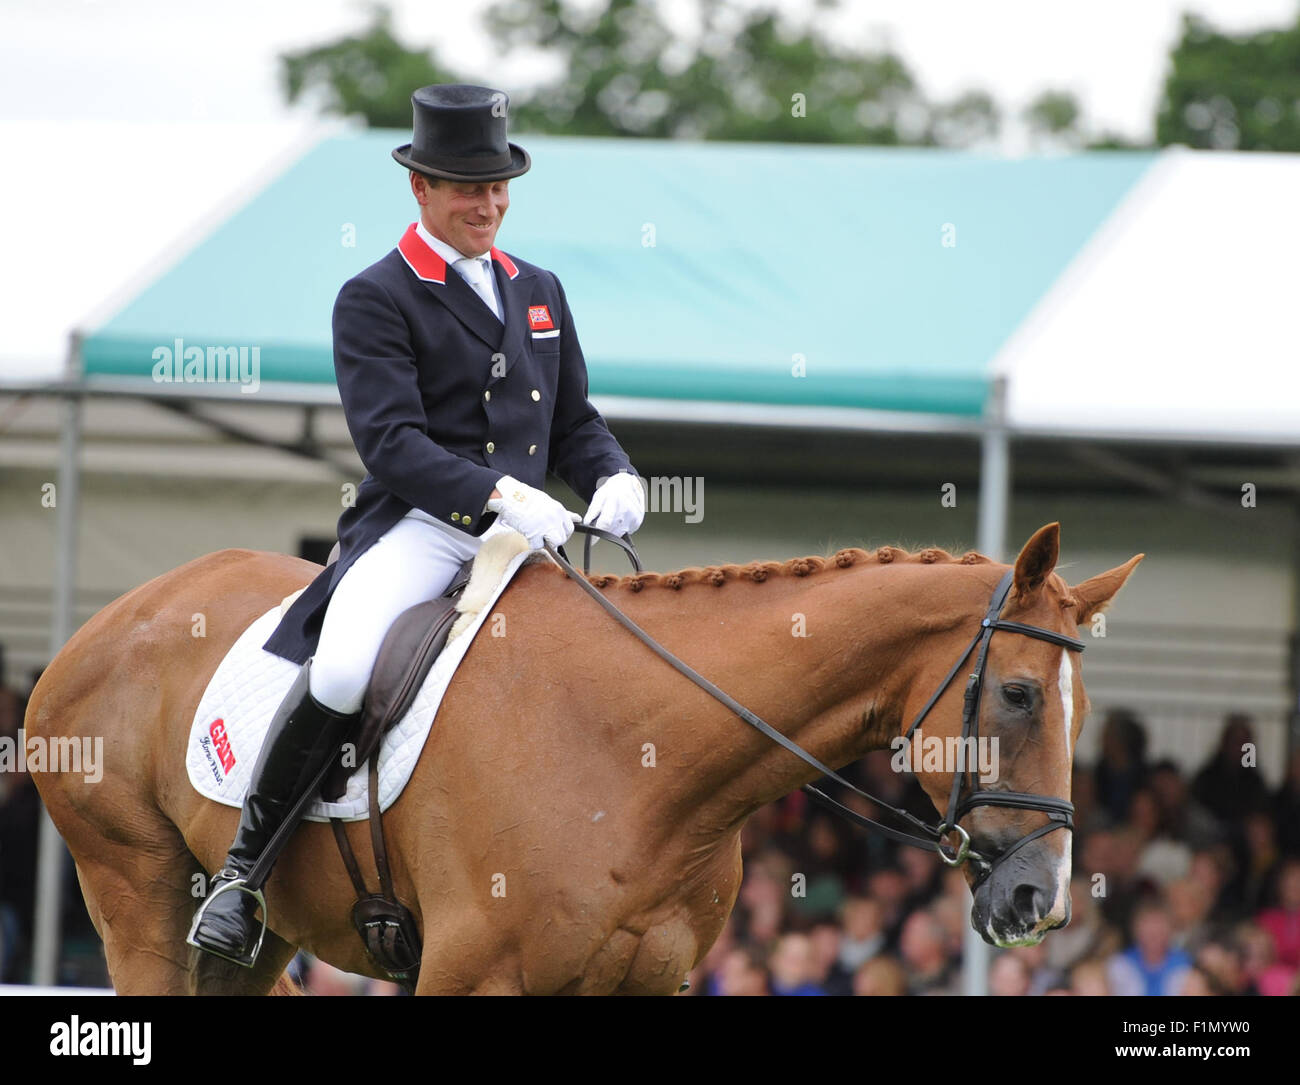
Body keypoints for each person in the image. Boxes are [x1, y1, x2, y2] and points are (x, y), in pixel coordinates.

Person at [189, 84, 644, 965]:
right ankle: (246, 871)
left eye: (499, 186)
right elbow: (391, 442)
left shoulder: (539, 288)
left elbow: (574, 421)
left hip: (532, 534)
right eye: (468, 188)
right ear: (421, 189)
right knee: (348, 664)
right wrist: (500, 495)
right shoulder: (377, 295)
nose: (488, 204)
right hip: (425, 524)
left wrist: (614, 472)